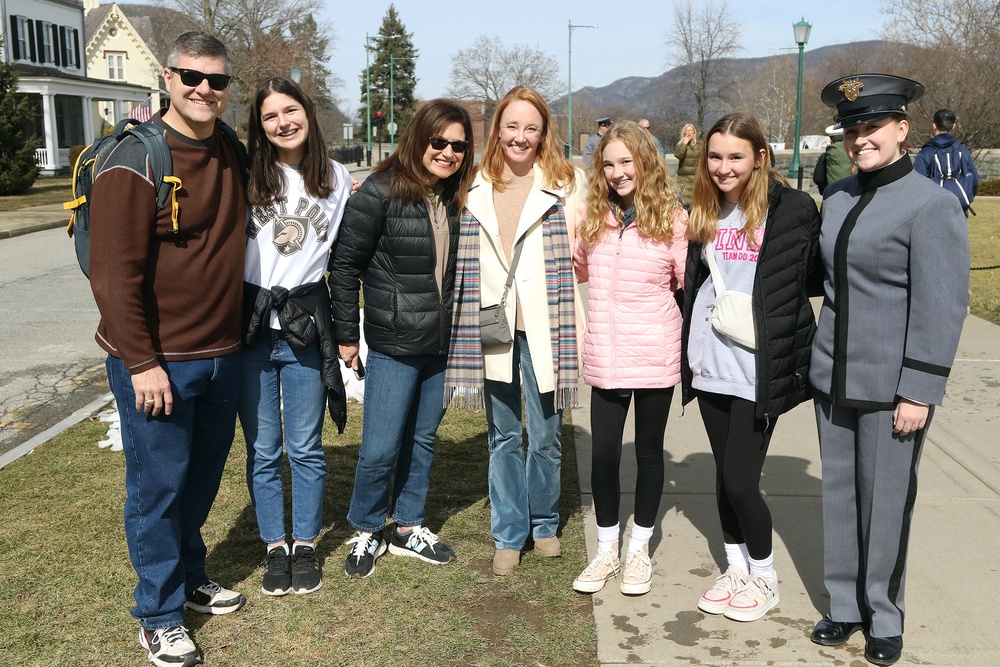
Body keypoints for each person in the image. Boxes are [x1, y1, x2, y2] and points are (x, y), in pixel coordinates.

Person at [88, 31, 248, 667]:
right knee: (157, 485)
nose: (205, 90)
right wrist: (142, 363)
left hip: (222, 352)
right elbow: (113, 275)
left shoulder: (229, 147)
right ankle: (158, 613)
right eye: (192, 77)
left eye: (217, 81)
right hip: (158, 361)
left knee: (201, 477)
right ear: (166, 78)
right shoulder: (134, 159)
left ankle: (187, 572)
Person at [810, 75, 969, 667]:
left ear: (903, 129)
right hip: (835, 379)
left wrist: (920, 390)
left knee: (886, 503)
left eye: (871, 127)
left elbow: (942, 304)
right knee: (840, 496)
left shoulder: (931, 204)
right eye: (851, 130)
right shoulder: (839, 197)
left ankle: (883, 612)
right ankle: (845, 604)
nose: (860, 140)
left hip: (893, 387)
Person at [680, 112, 820, 623]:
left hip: (758, 367)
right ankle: (735, 568)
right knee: (723, 476)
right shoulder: (704, 210)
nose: (722, 167)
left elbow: (811, 278)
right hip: (709, 358)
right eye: (715, 156)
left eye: (735, 156)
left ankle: (764, 576)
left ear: (760, 156)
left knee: (741, 480)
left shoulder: (794, 209)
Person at [332, 99, 475, 579]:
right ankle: (368, 527)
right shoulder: (380, 191)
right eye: (439, 141)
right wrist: (347, 337)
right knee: (379, 446)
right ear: (418, 138)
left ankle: (407, 524)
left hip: (443, 342)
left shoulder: (457, 196)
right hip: (394, 342)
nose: (448, 152)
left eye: (458, 145)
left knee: (423, 438)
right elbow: (346, 265)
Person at [444, 86, 584, 577]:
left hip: (549, 326)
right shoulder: (473, 183)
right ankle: (509, 531)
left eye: (531, 127)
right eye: (512, 126)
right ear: (497, 129)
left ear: (544, 132)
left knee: (545, 435)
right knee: (503, 433)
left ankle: (544, 523)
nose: (521, 137)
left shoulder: (569, 183)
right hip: (492, 324)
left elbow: (593, 243)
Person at [240, 77, 354, 597]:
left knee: (305, 446)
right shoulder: (245, 174)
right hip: (252, 325)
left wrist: (349, 331)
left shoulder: (335, 177)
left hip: (306, 325)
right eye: (270, 116)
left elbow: (342, 257)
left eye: (291, 110)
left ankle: (304, 544)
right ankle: (274, 547)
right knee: (264, 447)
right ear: (259, 126)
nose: (283, 122)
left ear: (307, 112)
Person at [571, 121, 687, 595]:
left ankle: (638, 547)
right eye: (609, 163)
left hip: (655, 354)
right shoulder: (594, 219)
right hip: (606, 355)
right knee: (602, 456)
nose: (619, 172)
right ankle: (607, 548)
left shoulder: (674, 221)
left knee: (647, 453)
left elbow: (689, 284)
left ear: (646, 163)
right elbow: (577, 266)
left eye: (626, 161)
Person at [913, 107, 979, 216]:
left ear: (934, 126)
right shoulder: (963, 150)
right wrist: (967, 197)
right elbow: (975, 180)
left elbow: (917, 183)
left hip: (933, 208)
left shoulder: (926, 153)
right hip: (959, 207)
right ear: (954, 127)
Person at [812, 124, 854, 196]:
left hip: (832, 194)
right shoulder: (855, 154)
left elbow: (818, 178)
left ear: (831, 140)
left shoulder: (826, 156)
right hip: (854, 194)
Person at [673, 122, 701, 205]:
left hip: (696, 177)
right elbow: (678, 155)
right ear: (684, 133)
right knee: (685, 203)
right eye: (687, 130)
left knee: (696, 202)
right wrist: (685, 143)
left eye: (690, 130)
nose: (689, 132)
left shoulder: (700, 144)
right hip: (684, 178)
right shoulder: (680, 144)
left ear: (694, 132)